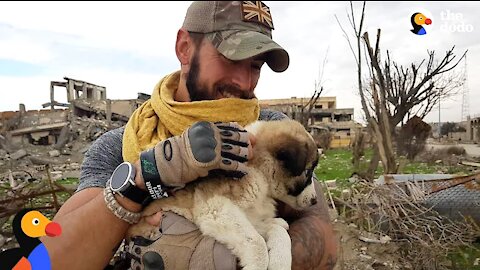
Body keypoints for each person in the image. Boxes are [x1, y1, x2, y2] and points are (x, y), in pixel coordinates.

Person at [42, 1, 337, 269]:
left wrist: (224, 260)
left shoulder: (272, 133)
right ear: (184, 47)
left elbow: (323, 236)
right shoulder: (119, 145)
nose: (244, 81)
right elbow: (52, 260)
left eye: (256, 67)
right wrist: (145, 177)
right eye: (231, 58)